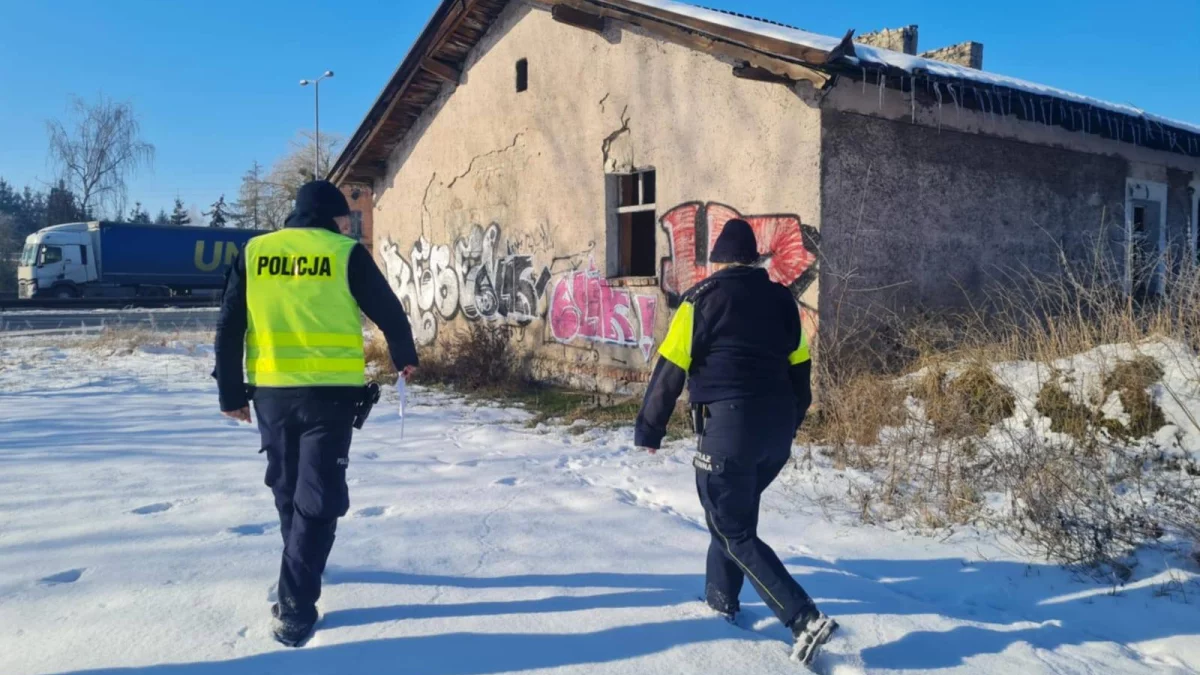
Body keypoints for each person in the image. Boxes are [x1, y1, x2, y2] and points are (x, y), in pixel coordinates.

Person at [214, 180, 418, 647]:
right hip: (331, 395)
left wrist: (230, 392)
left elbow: (229, 324)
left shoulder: (253, 252)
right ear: (333, 217)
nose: (349, 222)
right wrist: (404, 354)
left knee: (294, 491)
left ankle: (297, 583)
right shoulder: (344, 252)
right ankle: (296, 607)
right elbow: (387, 310)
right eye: (346, 216)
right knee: (315, 496)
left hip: (271, 393)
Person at [633, 219, 836, 665]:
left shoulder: (702, 301)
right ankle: (720, 602)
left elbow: (669, 369)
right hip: (775, 433)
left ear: (719, 261)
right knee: (731, 516)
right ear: (755, 259)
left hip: (728, 428)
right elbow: (800, 371)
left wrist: (650, 429)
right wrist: (790, 421)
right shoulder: (785, 302)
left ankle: (802, 618)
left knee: (732, 528)